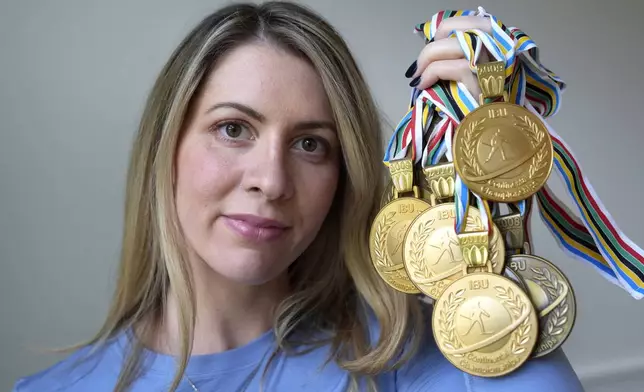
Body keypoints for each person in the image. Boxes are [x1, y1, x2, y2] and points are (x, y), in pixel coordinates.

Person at [13, 2, 585, 391]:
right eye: (234, 129)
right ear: (167, 148)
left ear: (343, 173)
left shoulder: (414, 358)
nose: (273, 180)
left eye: (311, 144)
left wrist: (485, 181)